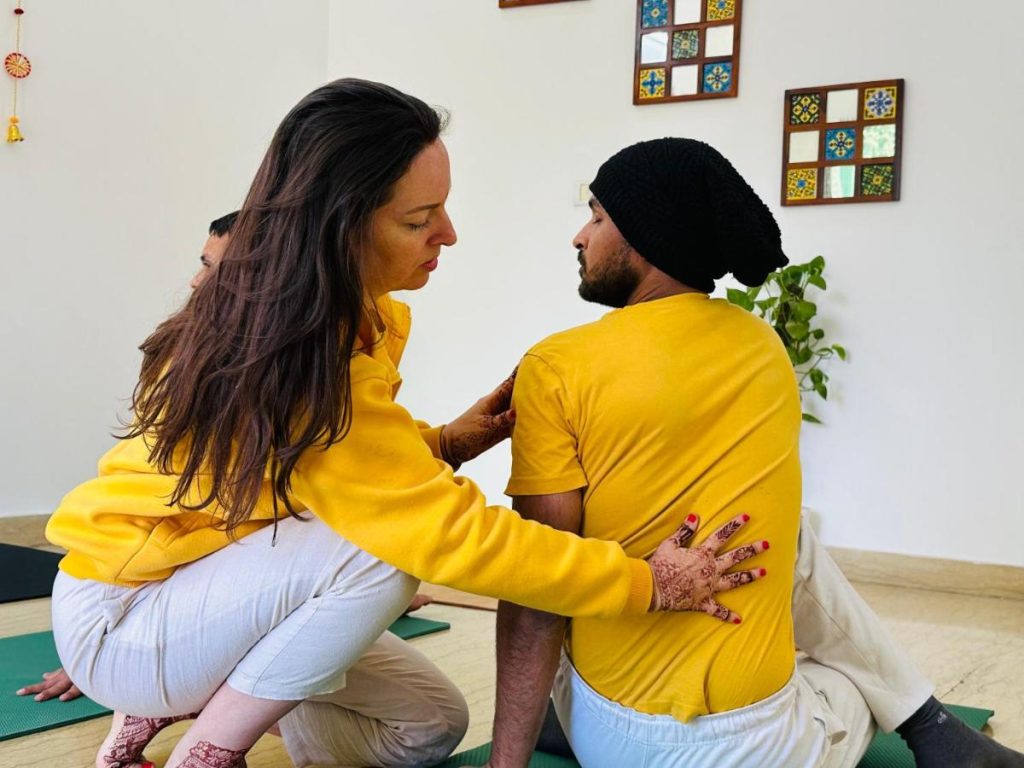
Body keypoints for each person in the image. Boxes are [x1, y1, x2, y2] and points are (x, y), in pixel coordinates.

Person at [44, 81, 767, 768]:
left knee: (428, 727)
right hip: (127, 615)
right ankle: (207, 747)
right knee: (386, 549)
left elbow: (330, 469)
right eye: (420, 221)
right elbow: (440, 530)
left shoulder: (347, 320)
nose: (448, 233)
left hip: (215, 587)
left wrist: (448, 443)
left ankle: (191, 698)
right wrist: (646, 583)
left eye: (442, 210)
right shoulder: (308, 357)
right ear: (342, 229)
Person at [486, 139, 1024, 768]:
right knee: (843, 670)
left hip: (608, 735)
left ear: (646, 234)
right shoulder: (763, 346)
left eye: (598, 217)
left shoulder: (554, 365)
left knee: (559, 573)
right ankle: (927, 722)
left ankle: (570, 722)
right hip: (763, 749)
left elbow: (537, 589)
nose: (580, 236)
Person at [15, 210, 431, 707]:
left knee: (431, 719)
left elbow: (348, 465)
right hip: (130, 597)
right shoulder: (213, 371)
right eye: (203, 263)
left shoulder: (333, 348)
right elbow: (153, 518)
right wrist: (97, 653)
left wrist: (355, 598)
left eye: (215, 268)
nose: (196, 281)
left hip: (184, 584)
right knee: (380, 544)